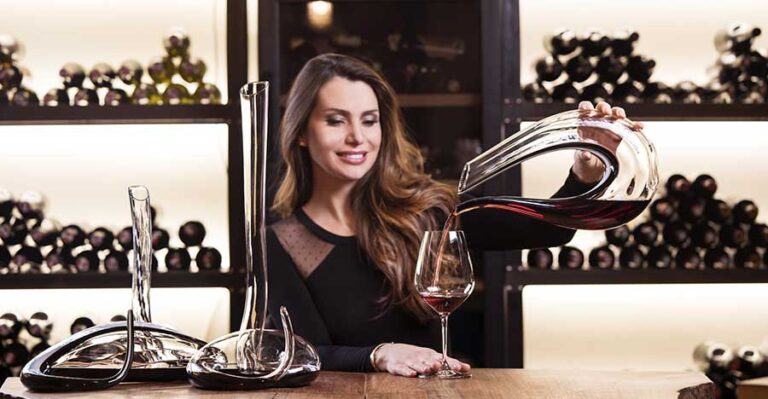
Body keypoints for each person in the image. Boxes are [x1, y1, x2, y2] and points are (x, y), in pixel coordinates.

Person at [266, 53, 635, 377]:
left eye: (369, 120)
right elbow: (302, 355)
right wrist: (379, 355)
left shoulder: (427, 212)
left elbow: (549, 230)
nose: (357, 137)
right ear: (301, 132)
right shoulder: (284, 242)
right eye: (335, 120)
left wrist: (587, 171)